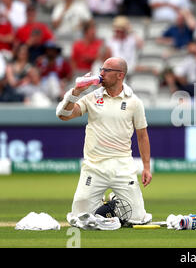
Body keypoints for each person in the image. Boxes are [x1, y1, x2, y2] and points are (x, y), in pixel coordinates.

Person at [57, 57, 153, 226]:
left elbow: (142, 136)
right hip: (94, 166)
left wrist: (146, 167)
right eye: (101, 69)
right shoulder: (92, 97)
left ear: (120, 75)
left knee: (136, 219)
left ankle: (115, 199)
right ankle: (102, 198)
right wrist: (76, 92)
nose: (101, 74)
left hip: (122, 166)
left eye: (106, 70)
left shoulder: (134, 102)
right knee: (80, 219)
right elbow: (63, 115)